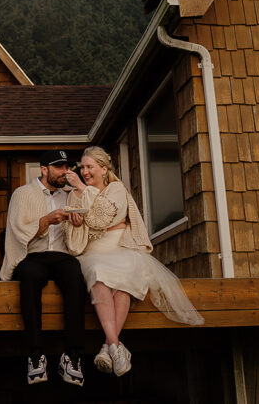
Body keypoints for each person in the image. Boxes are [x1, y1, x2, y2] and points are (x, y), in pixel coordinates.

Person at [63, 146, 203, 377]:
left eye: (90, 167)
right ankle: (116, 347)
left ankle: (109, 346)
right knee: (98, 274)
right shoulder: (74, 195)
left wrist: (82, 189)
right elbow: (73, 232)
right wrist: (77, 224)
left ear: (103, 168)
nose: (85, 171)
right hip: (92, 252)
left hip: (120, 246)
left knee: (125, 280)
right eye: (83, 167)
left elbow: (102, 217)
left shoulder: (116, 189)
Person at [0, 149, 87, 386]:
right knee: (30, 277)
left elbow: (79, 233)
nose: (65, 172)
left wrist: (77, 223)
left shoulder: (70, 196)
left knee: (75, 276)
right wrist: (46, 221)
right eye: (59, 167)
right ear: (44, 169)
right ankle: (35, 354)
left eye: (67, 167)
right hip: (32, 255)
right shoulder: (22, 194)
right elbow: (17, 232)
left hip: (61, 255)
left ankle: (73, 355)